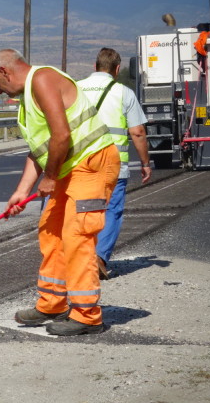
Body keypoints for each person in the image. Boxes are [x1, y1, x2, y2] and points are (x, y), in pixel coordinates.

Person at [0, 49, 119, 336]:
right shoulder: (27, 100)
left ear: (5, 72)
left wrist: (48, 178)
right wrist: (21, 191)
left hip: (91, 164)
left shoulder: (43, 80)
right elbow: (39, 151)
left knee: (77, 236)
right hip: (68, 168)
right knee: (51, 230)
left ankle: (87, 315)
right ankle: (52, 303)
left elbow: (61, 135)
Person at [77, 48, 152, 279]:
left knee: (83, 211)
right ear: (117, 69)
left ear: (95, 66)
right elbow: (137, 132)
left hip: (81, 163)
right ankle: (99, 257)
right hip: (113, 165)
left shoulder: (75, 89)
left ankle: (80, 257)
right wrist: (145, 163)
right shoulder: (123, 92)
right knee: (111, 211)